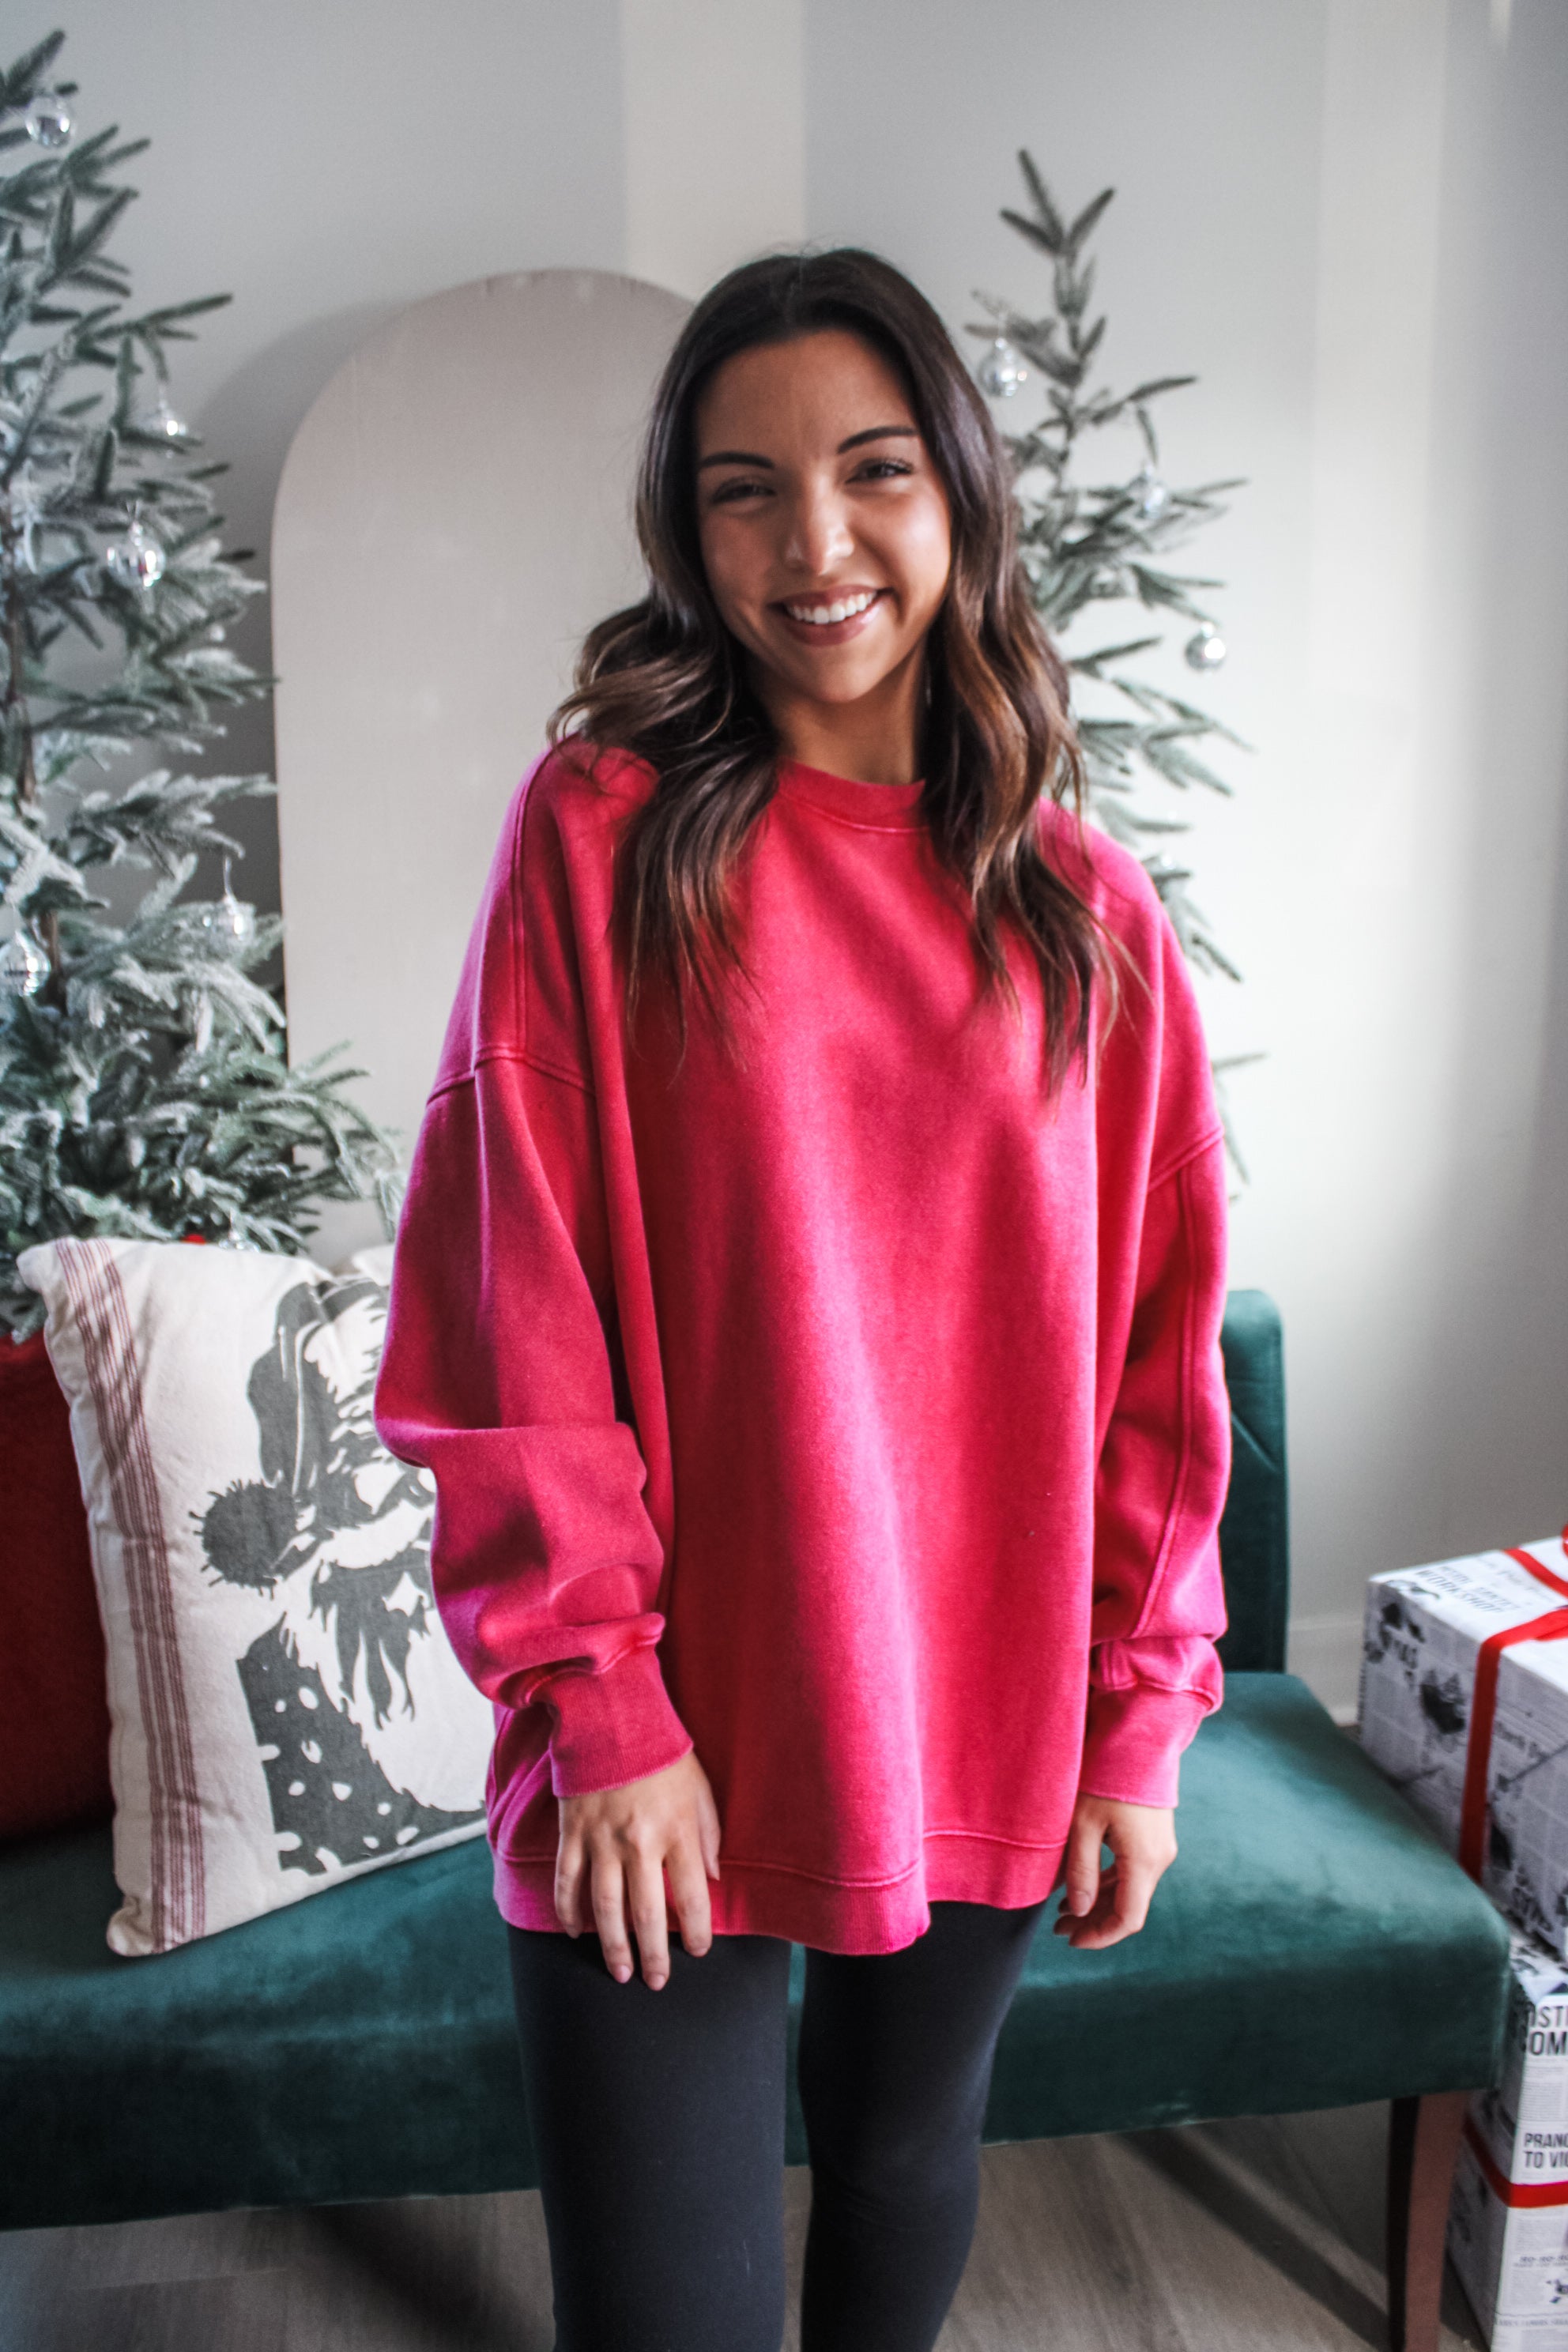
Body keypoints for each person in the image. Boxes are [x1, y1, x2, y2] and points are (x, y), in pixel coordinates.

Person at [373, 247, 1230, 2352]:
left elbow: (1158, 1357)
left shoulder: (1090, 915)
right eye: (743, 490)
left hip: (984, 1702)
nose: (814, 544)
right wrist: (600, 1708)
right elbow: (508, 1302)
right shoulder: (600, 839)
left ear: (961, 490)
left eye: (872, 470)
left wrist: (1139, 1723)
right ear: (687, 533)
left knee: (903, 2181)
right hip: (660, 1731)